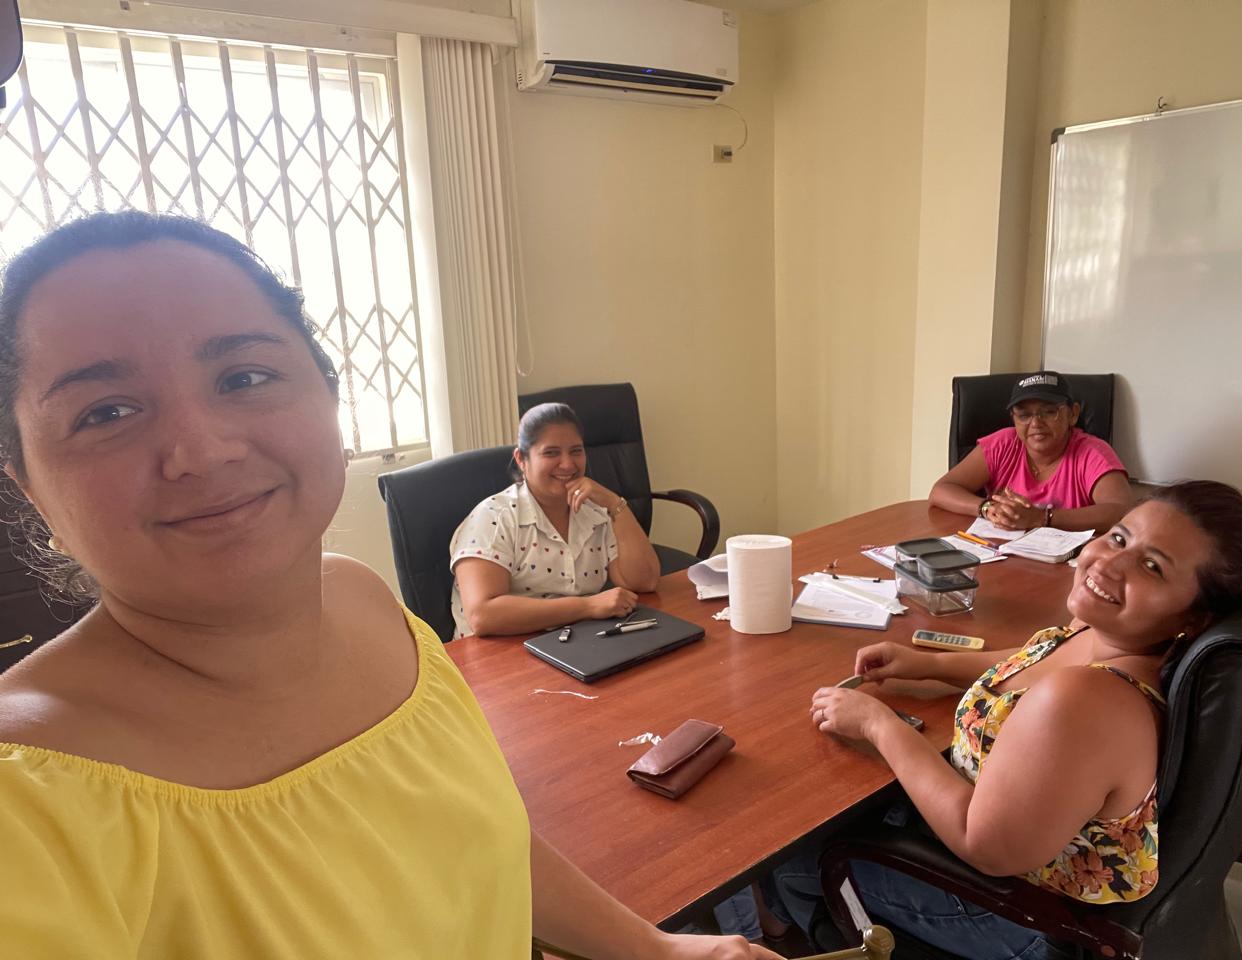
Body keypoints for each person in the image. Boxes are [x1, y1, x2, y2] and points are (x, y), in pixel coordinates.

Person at [0, 211, 779, 960]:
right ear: (27, 484)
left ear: (331, 398)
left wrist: (654, 947)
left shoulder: (365, 600)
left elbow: (483, 842)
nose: (201, 451)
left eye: (244, 375)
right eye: (105, 412)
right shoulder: (25, 803)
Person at [776, 480, 1242, 959]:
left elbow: (983, 846)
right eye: (1119, 538)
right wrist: (927, 664)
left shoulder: (1090, 701)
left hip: (1018, 916)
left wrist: (879, 726)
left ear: (1194, 618)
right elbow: (1033, 659)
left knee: (792, 856)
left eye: (1152, 567)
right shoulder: (1107, 635)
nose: (1109, 563)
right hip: (1003, 853)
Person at [450, 402, 661, 638]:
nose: (568, 464)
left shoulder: (595, 511)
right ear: (521, 459)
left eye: (576, 451)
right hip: (498, 650)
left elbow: (644, 581)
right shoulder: (494, 517)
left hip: (572, 640)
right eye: (551, 453)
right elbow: (483, 615)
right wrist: (588, 606)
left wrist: (614, 503)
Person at [930, 371, 1132, 532]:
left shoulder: (1092, 453)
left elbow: (1122, 512)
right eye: (1024, 415)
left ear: (1073, 414)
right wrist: (987, 508)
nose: (1036, 423)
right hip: (1000, 555)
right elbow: (941, 490)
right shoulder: (1002, 444)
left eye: (1049, 412)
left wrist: (1041, 518)